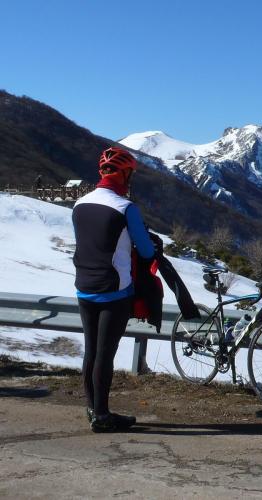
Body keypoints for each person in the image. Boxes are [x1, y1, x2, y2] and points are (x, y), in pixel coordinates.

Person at [72, 147, 154, 432]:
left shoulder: (79, 204)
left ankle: (93, 409)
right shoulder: (125, 208)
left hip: (84, 287)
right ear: (124, 174)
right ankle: (103, 416)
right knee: (105, 354)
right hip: (114, 292)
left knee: (91, 351)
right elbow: (145, 251)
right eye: (130, 173)